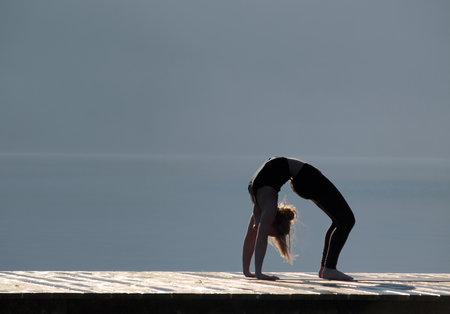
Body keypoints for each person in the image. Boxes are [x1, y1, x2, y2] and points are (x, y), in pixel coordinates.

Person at [242, 157, 355, 281]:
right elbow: (254, 236)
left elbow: (257, 237)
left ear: (273, 221)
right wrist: (251, 272)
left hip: (305, 178)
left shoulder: (265, 206)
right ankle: (329, 269)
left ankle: (326, 269)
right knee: (346, 220)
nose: (267, 233)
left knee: (342, 220)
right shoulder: (263, 203)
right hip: (305, 178)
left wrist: (254, 273)